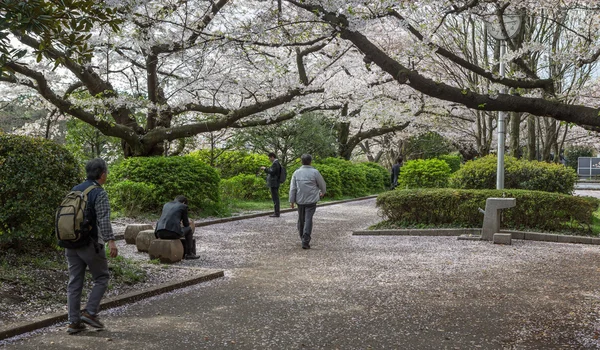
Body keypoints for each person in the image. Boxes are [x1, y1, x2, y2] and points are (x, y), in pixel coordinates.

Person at [65, 158, 119, 334]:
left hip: (70, 242)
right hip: (89, 243)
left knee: (74, 282)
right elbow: (103, 219)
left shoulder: (75, 190)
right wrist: (111, 240)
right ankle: (90, 312)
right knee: (102, 278)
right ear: (102, 174)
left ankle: (73, 322)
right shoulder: (99, 193)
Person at [289, 154, 326, 249]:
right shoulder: (315, 172)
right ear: (310, 161)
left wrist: (292, 200)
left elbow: (293, 188)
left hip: (300, 200)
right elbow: (322, 184)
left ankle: (302, 236)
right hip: (311, 200)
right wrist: (323, 192)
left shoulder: (296, 173)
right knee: (308, 219)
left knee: (301, 219)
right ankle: (306, 239)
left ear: (301, 161)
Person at [155, 195, 200, 260]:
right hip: (172, 233)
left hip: (159, 233)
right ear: (184, 202)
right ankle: (189, 254)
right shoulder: (183, 206)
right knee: (189, 230)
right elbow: (186, 224)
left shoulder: (166, 205)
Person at [260, 152, 282, 217]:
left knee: (275, 198)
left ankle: (276, 212)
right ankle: (276, 212)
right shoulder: (277, 163)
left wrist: (265, 169)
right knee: (275, 197)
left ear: (272, 157)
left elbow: (272, 172)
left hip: (274, 183)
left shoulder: (275, 163)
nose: (269, 159)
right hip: (275, 182)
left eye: (269, 158)